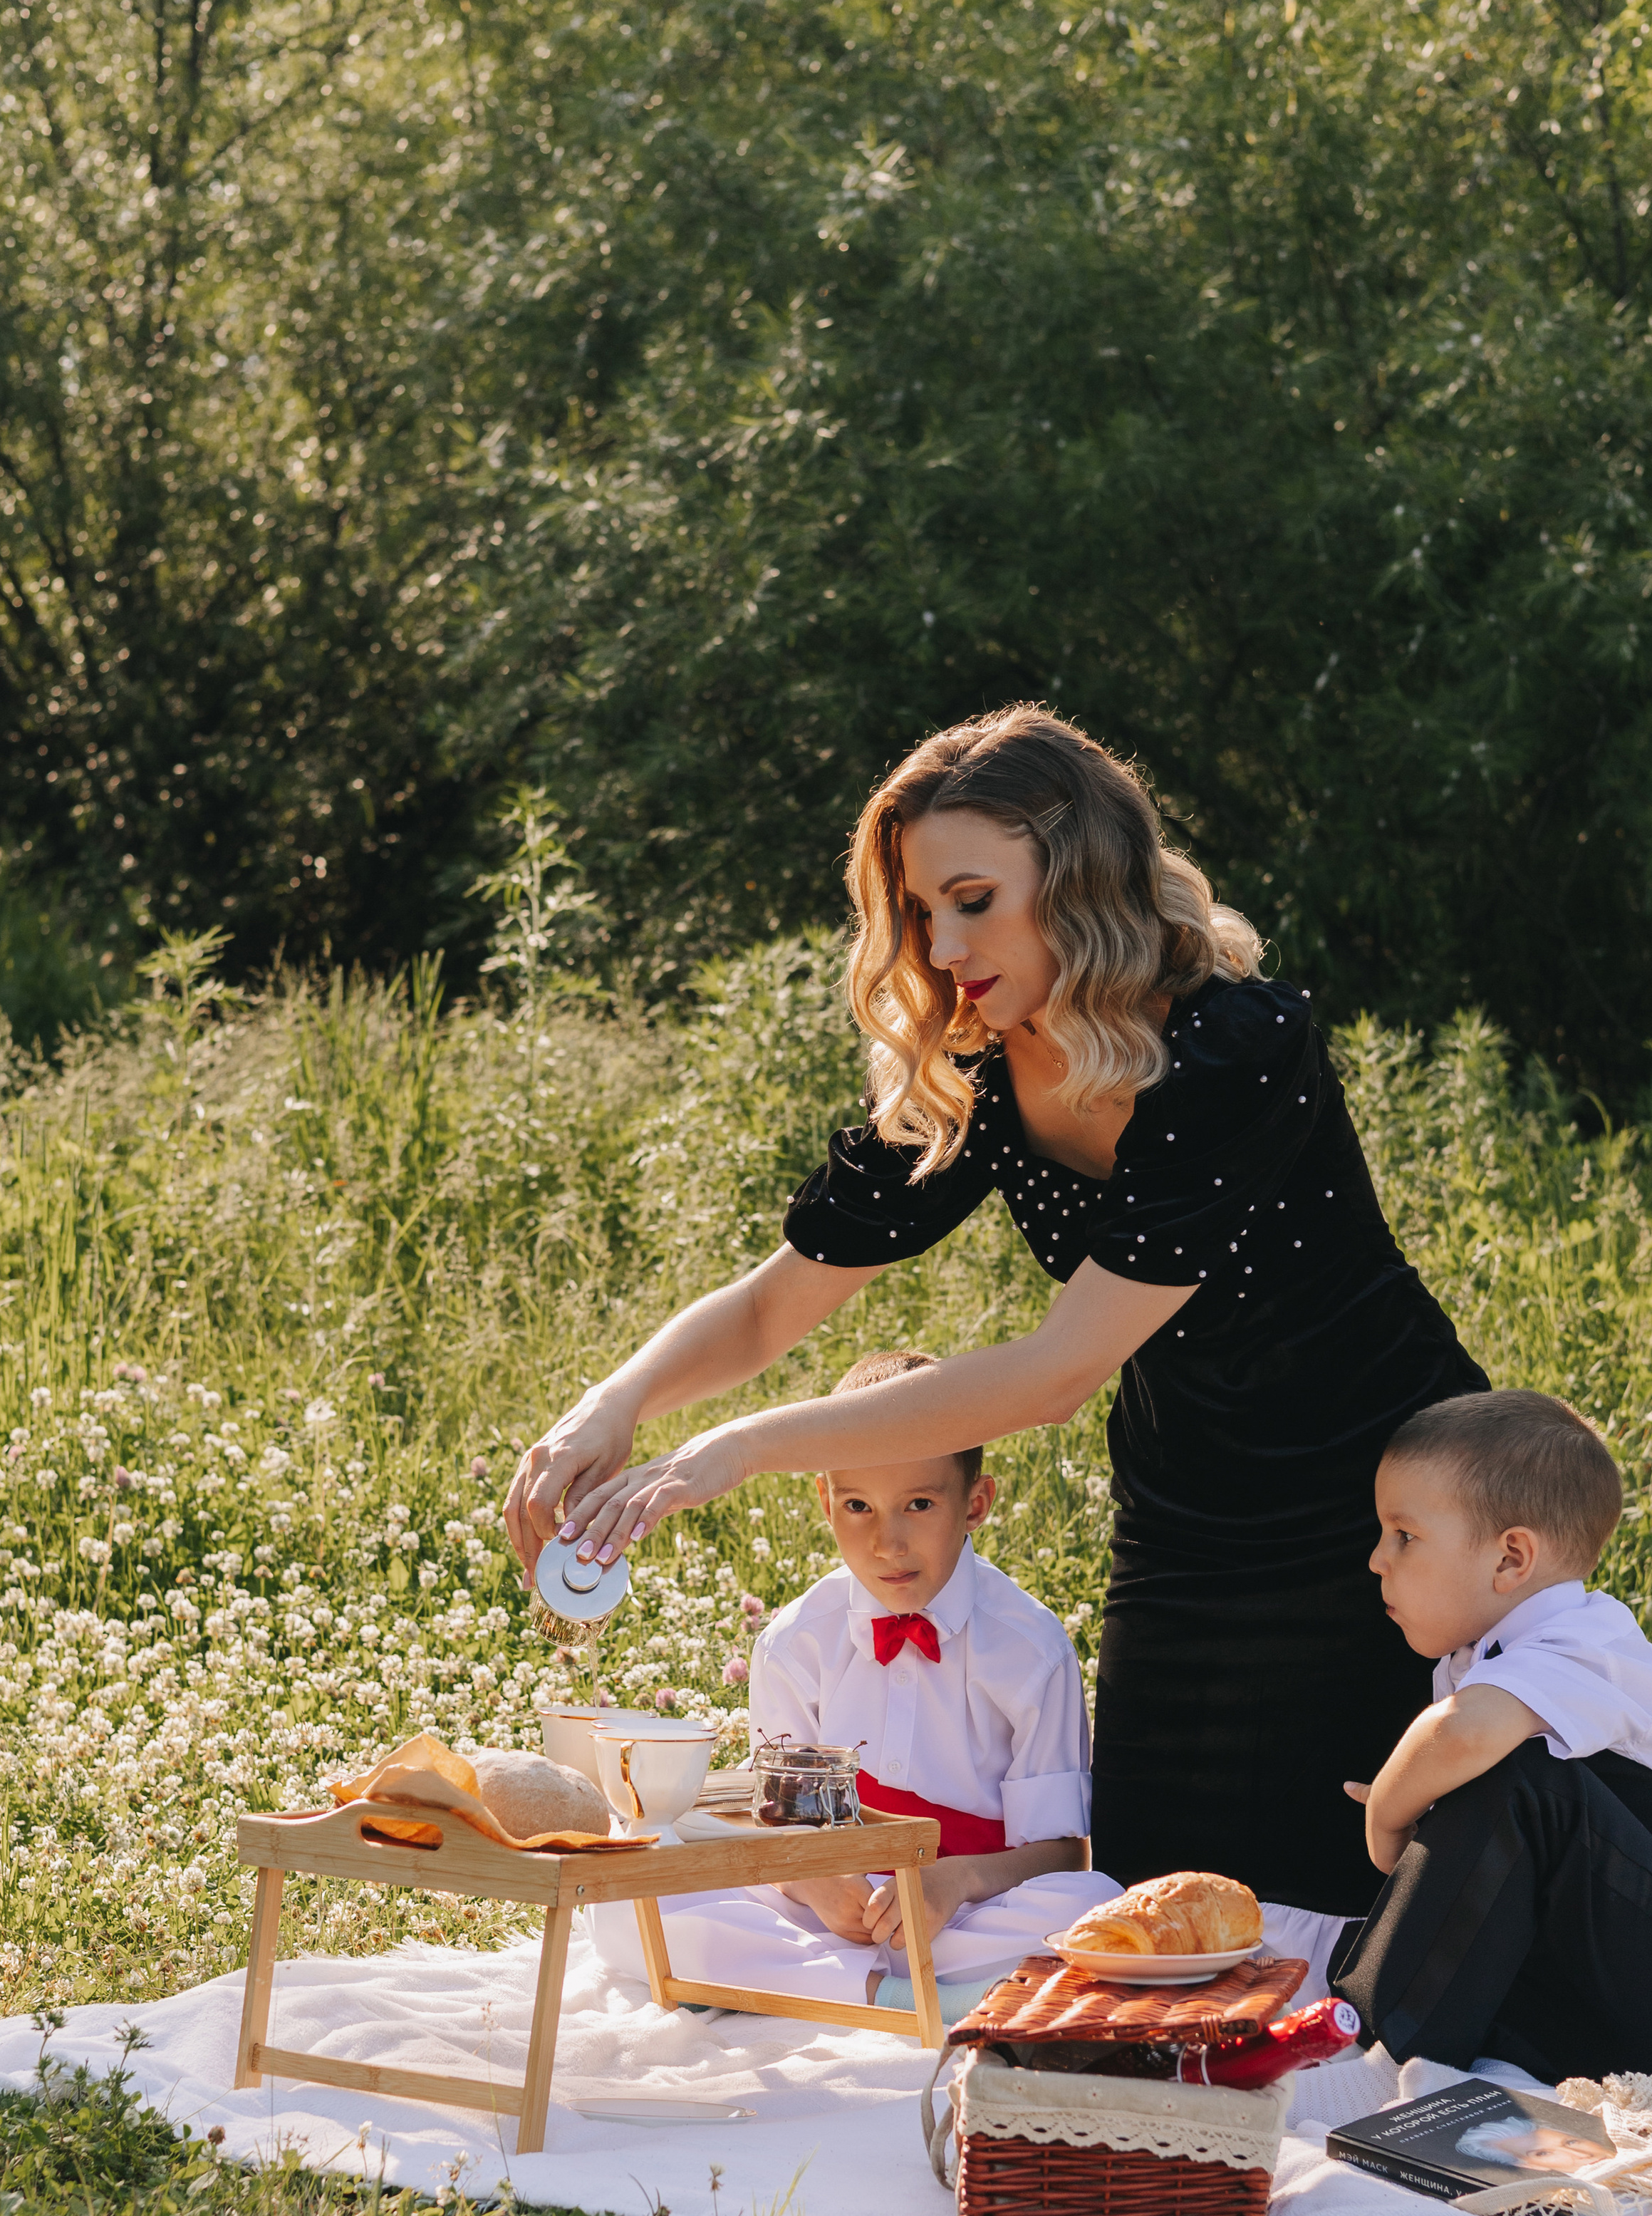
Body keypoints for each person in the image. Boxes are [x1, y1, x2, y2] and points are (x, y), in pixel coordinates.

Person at [506, 704, 1486, 1932]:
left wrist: (739, 1449)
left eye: (974, 900)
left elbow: (1058, 1370)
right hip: (1191, 1514)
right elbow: (773, 1304)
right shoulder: (975, 1066)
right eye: (922, 910)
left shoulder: (1239, 1047)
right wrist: (613, 1406)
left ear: (1080, 883)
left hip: (1392, 1504)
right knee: (1152, 1901)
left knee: (1374, 1908)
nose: (943, 944)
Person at [585, 1349, 1119, 2014]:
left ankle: (789, 1980)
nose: (888, 1543)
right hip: (826, 1912)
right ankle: (901, 1996)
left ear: (976, 1503)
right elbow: (774, 1823)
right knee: (625, 1887)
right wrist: (813, 1883)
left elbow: (1062, 1854)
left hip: (966, 1912)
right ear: (825, 1501)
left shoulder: (1032, 1649)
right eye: (859, 1505)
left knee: (1090, 1903)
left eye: (919, 1504)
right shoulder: (796, 1642)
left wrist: (952, 1884)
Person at [1331, 1389, 1652, 2081]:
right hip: (1627, 1980)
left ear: (1510, 1559)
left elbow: (1462, 1736)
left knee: (1517, 1781)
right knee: (1410, 1932)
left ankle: (1374, 2062)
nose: (1378, 1559)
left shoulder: (1584, 1640)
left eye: (1404, 1536)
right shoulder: (1479, 1661)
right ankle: (1385, 2045)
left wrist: (1386, 1812)